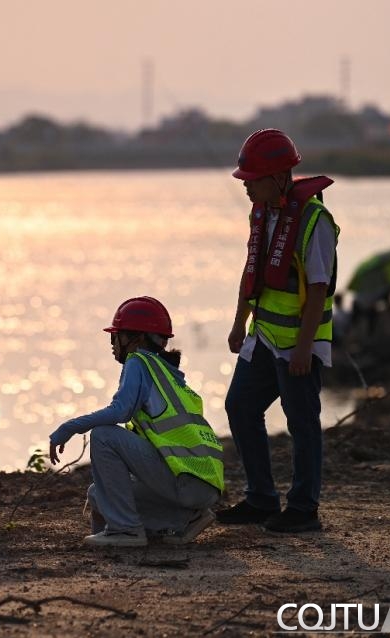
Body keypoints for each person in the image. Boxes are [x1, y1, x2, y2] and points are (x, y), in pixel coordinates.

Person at [217, 129, 339, 533]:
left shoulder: (314, 222)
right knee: (240, 407)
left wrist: (304, 349)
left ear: (279, 177)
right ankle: (261, 499)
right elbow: (251, 272)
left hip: (297, 346)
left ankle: (304, 508)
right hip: (264, 337)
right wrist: (239, 323)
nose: (246, 186)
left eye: (253, 179)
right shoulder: (261, 214)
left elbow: (318, 288)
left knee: (302, 422)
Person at [48, 297, 223, 548]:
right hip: (202, 485)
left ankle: (126, 530)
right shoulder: (168, 373)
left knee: (103, 435)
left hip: (186, 481)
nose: (112, 344)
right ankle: (186, 518)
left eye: (115, 337)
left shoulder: (138, 361)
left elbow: (119, 411)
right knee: (98, 495)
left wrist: (70, 427)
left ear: (137, 339)